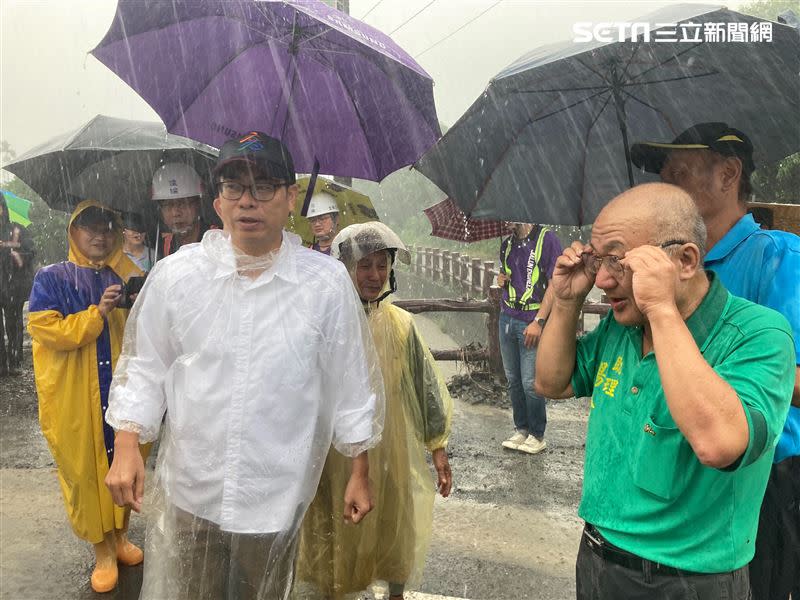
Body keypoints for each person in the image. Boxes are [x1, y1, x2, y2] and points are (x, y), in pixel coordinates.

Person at [104, 131, 383, 600]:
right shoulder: (179, 276)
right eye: (234, 187)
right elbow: (145, 364)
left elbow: (351, 380)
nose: (247, 201)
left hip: (274, 494)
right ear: (217, 201)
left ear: (291, 197)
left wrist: (360, 469)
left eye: (264, 187)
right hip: (193, 489)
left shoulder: (324, 285)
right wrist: (128, 443)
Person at [535, 183, 795, 599]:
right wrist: (566, 302)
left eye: (618, 260)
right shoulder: (621, 328)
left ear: (685, 260)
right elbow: (552, 382)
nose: (602, 279)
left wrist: (661, 310)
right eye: (598, 260)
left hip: (690, 579)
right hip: (598, 558)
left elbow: (720, 442)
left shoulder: (758, 334)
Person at [631, 122, 800, 600]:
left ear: (728, 174)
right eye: (662, 176)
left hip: (763, 486)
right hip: (679, 481)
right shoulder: (672, 271)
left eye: (678, 173)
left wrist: (718, 367)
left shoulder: (778, 260)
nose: (666, 188)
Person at [295, 222, 453, 600]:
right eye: (364, 266)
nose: (374, 275)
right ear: (344, 269)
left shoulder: (401, 325)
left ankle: (395, 593)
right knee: (335, 525)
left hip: (391, 449)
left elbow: (426, 387)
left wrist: (438, 447)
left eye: (382, 265)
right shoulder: (324, 325)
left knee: (394, 522)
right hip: (338, 452)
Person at [27, 200, 148, 593]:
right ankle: (102, 550)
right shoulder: (53, 277)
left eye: (107, 228)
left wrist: (138, 297)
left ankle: (121, 537)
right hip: (74, 397)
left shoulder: (128, 272)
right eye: (89, 228)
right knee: (85, 473)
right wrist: (97, 313)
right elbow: (48, 331)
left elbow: (149, 324)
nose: (99, 236)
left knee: (125, 465)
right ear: (73, 232)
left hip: (121, 393)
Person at [496, 221, 561, 454]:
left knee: (529, 381)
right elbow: (512, 279)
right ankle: (521, 429)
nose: (506, 221)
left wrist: (539, 321)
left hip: (531, 319)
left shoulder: (547, 240)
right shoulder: (507, 245)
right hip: (506, 317)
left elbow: (556, 282)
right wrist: (500, 280)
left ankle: (537, 433)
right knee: (513, 379)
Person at [0, 191, 34, 376]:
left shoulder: (17, 229)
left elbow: (31, 253)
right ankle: (1, 365)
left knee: (13, 324)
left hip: (13, 285)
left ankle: (14, 362)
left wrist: (13, 254)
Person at [150, 162, 213, 259]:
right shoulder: (164, 245)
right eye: (168, 204)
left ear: (198, 203)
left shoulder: (218, 238)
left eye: (183, 203)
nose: (176, 213)